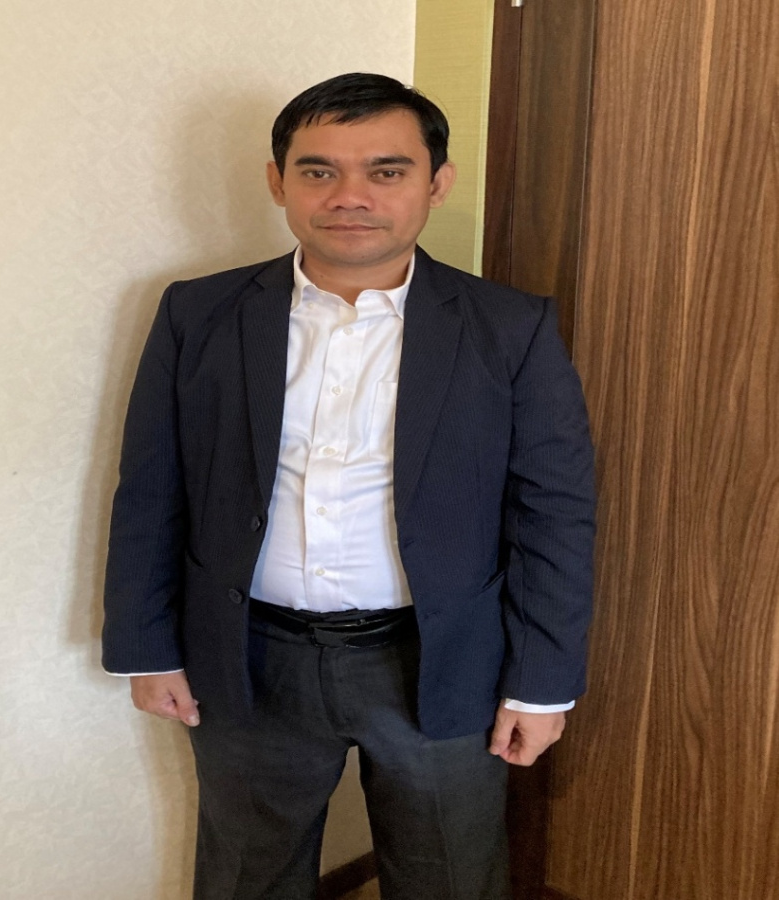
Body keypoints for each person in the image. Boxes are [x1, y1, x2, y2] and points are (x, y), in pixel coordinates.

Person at [102, 72, 596, 900]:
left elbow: (555, 513)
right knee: (246, 878)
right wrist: (146, 648)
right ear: (278, 181)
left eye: (386, 170)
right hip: (247, 657)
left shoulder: (511, 328)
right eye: (319, 170)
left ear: (437, 183)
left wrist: (543, 684)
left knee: (450, 879)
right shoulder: (198, 313)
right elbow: (151, 487)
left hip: (441, 659)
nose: (350, 196)